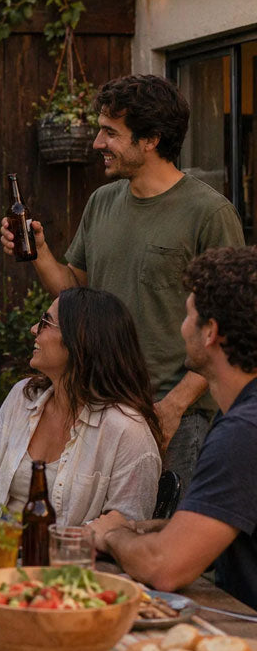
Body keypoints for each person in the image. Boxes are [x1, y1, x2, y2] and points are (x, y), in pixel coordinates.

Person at [1, 74, 244, 495]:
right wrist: (38, 250)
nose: (97, 142)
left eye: (110, 132)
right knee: (104, 536)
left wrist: (175, 405)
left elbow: (233, 326)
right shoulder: (103, 201)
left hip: (172, 413)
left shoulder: (208, 213)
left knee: (166, 538)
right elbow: (73, 291)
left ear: (150, 139)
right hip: (97, 403)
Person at [89, 246, 257, 609]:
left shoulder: (243, 432)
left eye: (187, 315)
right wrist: (152, 529)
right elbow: (227, 527)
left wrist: (112, 536)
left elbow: (165, 566)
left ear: (210, 332)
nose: (181, 328)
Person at [0, 287, 162, 524]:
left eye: (46, 323)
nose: (33, 330)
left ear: (80, 339)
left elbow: (125, 528)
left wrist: (46, 547)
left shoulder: (126, 431)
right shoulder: (23, 396)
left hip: (70, 560)